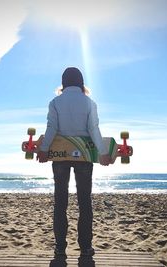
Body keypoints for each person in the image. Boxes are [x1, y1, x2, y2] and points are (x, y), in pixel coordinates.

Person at [37, 67, 111, 258]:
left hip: (60, 155)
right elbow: (93, 129)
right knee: (84, 202)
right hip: (84, 156)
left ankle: (60, 247)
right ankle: (85, 247)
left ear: (63, 83)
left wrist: (44, 149)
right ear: (80, 82)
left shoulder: (55, 102)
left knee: (60, 202)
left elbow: (51, 128)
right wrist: (103, 153)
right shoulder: (89, 103)